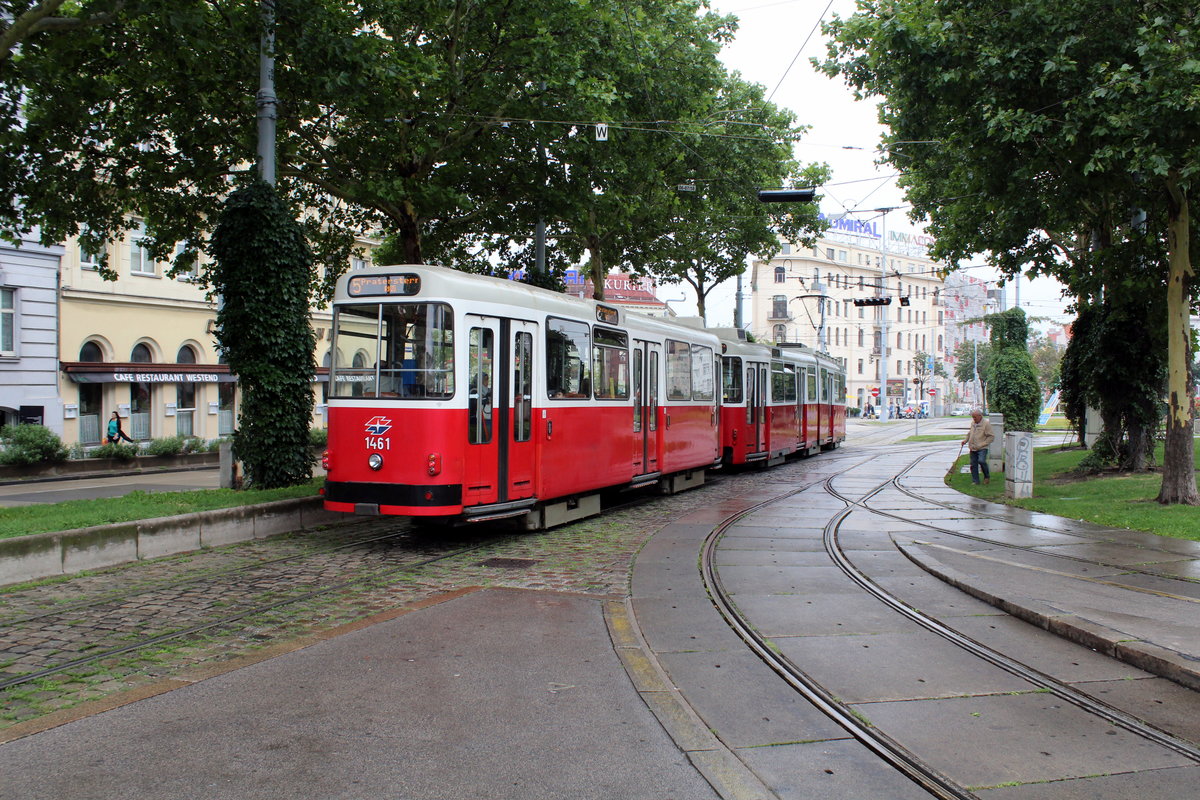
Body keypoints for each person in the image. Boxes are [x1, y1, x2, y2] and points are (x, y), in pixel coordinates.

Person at [962, 408, 995, 485]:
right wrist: (965, 441)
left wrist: (983, 444)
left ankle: (987, 476)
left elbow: (991, 437)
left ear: (980, 416)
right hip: (973, 447)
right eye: (973, 417)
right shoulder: (973, 423)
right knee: (973, 464)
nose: (974, 419)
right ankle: (975, 481)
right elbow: (970, 433)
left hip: (982, 448)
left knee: (981, 461)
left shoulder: (986, 424)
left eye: (975, 417)